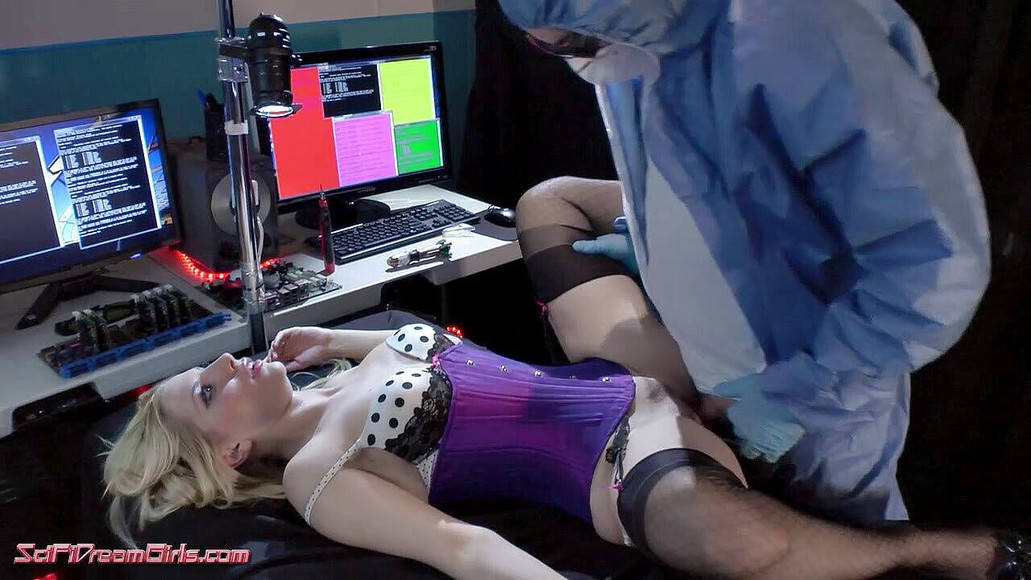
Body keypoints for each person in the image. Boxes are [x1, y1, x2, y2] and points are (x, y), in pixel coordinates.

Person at [499, 0, 992, 524]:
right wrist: (662, 250)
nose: (574, 60)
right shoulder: (643, 39)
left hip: (812, 397)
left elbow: (931, 268)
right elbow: (709, 176)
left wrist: (796, 394)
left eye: (574, 44)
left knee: (836, 539)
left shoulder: (798, 35)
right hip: (727, 371)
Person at [102, 322, 1028, 579]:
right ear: (233, 450)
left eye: (206, 366)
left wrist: (332, 343)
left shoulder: (344, 357)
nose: (224, 363)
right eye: (209, 390)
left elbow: (436, 349)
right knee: (749, 544)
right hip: (621, 468)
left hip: (637, 385)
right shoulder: (319, 475)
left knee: (550, 207)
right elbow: (461, 548)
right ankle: (951, 550)